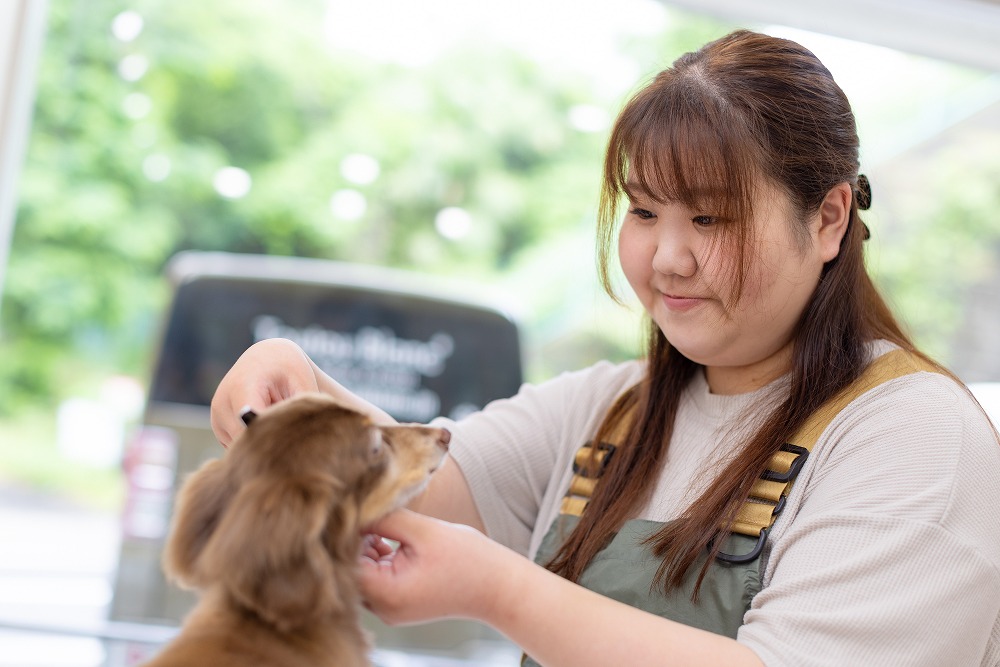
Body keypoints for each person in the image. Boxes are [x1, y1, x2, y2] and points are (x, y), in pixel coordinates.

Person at [209, 29, 1000, 667]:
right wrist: (300, 391)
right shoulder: (610, 410)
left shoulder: (914, 437)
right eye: (646, 211)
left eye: (712, 219)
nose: (667, 257)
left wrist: (503, 591)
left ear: (828, 219)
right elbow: (427, 487)